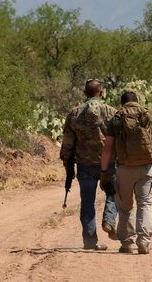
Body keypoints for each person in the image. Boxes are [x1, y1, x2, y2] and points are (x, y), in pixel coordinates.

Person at [100, 91, 152, 255]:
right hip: (145, 168)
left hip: (123, 168)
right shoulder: (147, 116)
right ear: (137, 101)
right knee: (145, 204)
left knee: (125, 207)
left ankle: (127, 243)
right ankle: (143, 241)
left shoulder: (116, 119)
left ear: (122, 104)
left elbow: (107, 148)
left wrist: (104, 171)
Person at [60, 78, 118, 250]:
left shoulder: (74, 114)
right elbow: (119, 140)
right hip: (109, 164)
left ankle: (90, 241)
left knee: (87, 201)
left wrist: (67, 163)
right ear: (101, 93)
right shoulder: (111, 112)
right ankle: (109, 219)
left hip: (84, 165)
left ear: (85, 93)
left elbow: (68, 144)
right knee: (113, 193)